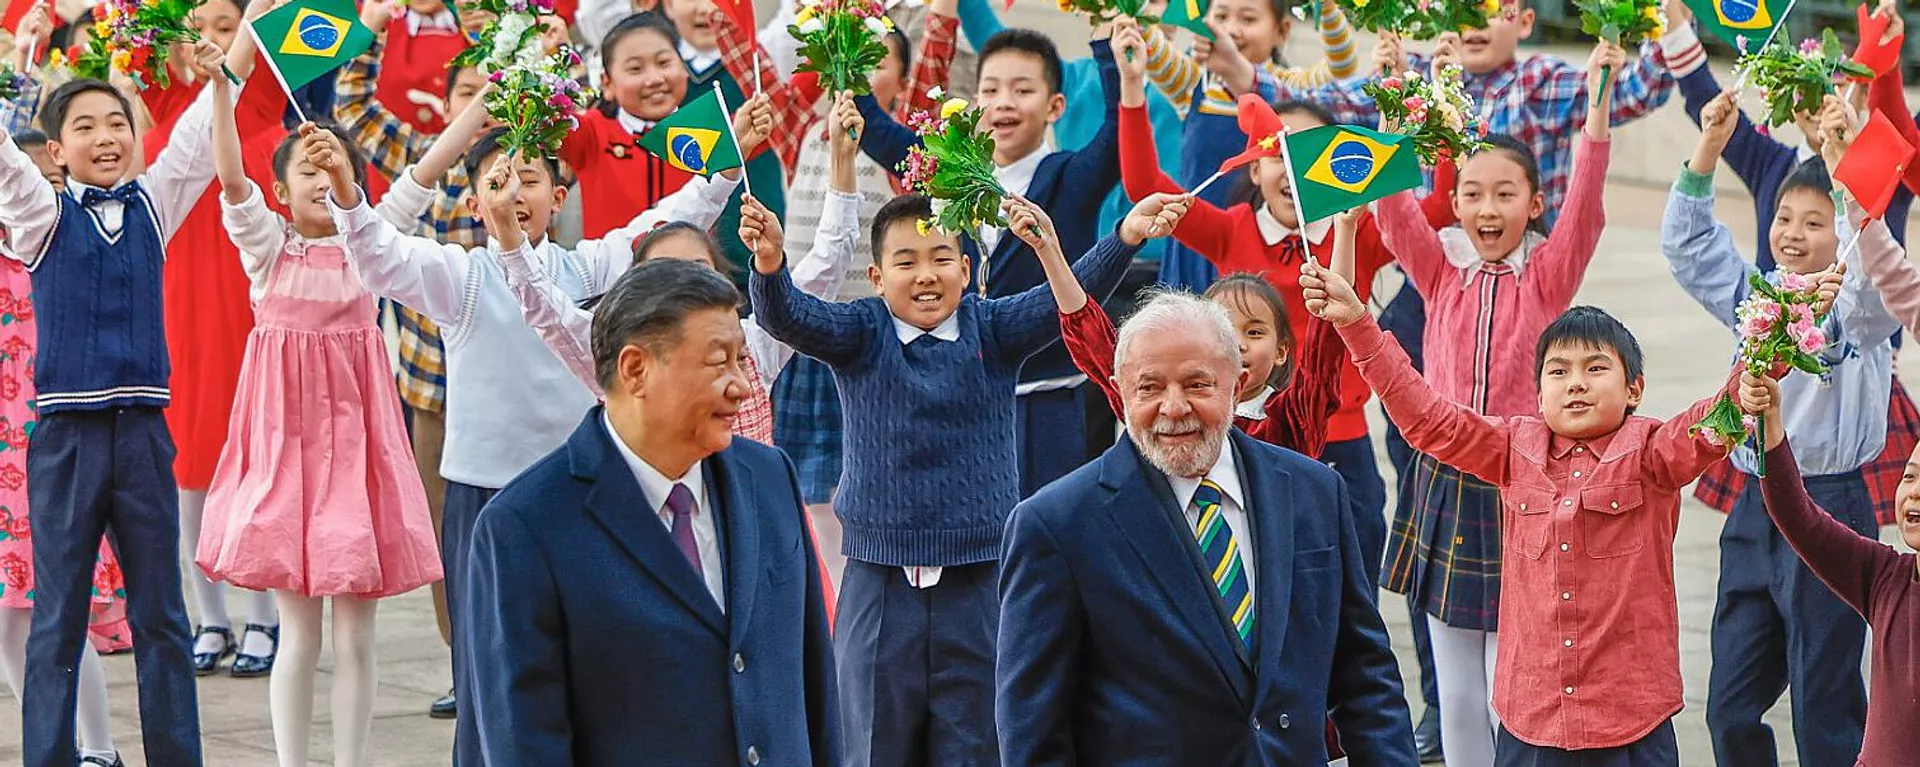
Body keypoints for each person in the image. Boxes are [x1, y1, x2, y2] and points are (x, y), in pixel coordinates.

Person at [328, 127, 752, 765]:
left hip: (583, 498)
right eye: (498, 180)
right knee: (488, 669)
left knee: (592, 662)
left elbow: (669, 225)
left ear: (559, 195)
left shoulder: (591, 267)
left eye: (531, 179)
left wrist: (724, 164)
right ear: (475, 204)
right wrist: (343, 193)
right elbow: (379, 257)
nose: (515, 192)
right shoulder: (460, 276)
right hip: (487, 500)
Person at [1303, 258, 1815, 763]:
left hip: (1630, 721)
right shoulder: (1510, 447)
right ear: (1538, 393)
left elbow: (1717, 418)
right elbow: (1427, 419)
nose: (1576, 383)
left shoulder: (1654, 452)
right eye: (1559, 371)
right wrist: (1357, 325)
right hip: (1532, 721)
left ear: (1634, 389)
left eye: (1596, 369)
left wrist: (1783, 332)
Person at [751, 191, 1182, 766]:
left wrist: (1125, 237)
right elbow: (790, 317)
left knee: (982, 747)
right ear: (877, 277)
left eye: (941, 257)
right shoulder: (860, 331)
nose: (926, 275)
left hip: (981, 585)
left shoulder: (995, 329)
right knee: (871, 746)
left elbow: (1066, 302)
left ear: (969, 269)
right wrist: (770, 266)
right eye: (906, 262)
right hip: (879, 585)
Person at [996, 288, 1413, 765]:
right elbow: (1033, 732)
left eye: (1197, 384)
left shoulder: (1314, 492)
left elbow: (1365, 673)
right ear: (1119, 389)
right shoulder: (1056, 525)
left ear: (1237, 384)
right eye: (1149, 388)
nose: (1174, 408)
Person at [459, 254, 838, 767]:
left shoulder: (770, 479)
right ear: (636, 369)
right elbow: (522, 741)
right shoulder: (524, 527)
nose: (741, 385)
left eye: (741, 360)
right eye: (716, 361)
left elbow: (815, 689)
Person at [1362, 40, 1619, 767]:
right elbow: (1390, 210)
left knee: (1515, 669)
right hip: (1443, 479)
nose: (1486, 207)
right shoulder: (1440, 272)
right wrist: (1394, 88)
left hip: (1523, 486)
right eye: (1471, 192)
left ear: (1534, 204)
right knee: (1456, 680)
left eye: (1506, 193)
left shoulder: (1547, 277)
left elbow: (1588, 210)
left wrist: (1597, 101)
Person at [199, 68, 462, 763]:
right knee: (299, 632)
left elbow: (427, 170)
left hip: (358, 455)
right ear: (280, 193)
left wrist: (484, 108)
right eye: (303, 170)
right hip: (285, 455)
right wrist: (223, 88)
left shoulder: (369, 246)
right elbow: (229, 177)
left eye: (332, 166)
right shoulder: (267, 248)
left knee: (354, 634)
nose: (319, 179)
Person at [0, 38, 228, 767]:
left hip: (143, 434)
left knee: (162, 613)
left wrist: (236, 45)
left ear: (135, 133)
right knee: (57, 618)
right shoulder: (40, 214)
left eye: (117, 122)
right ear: (57, 150)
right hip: (66, 437)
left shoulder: (154, 204)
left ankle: (176, 756)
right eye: (86, 126)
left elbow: (196, 134)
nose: (106, 137)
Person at [1666, 91, 1900, 767]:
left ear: (1845, 234)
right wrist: (1709, 145)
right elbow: (1690, 248)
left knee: (1826, 704)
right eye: (1786, 219)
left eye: (1816, 223)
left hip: (1831, 504)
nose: (1794, 233)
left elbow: (1875, 291)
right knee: (1728, 705)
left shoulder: (1856, 304)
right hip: (1755, 499)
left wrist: (1847, 174)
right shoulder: (1758, 294)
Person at [853, 25, 1124, 497]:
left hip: (1048, 397)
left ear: (1055, 106)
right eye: (991, 90)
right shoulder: (949, 171)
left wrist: (1108, 51)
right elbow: (876, 130)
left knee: (1048, 535)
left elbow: (1118, 136)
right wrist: (846, 48)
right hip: (963, 393)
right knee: (970, 532)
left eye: (1023, 90)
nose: (1004, 103)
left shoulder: (1069, 177)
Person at [333, 0, 500, 718]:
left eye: (493, 95)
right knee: (445, 533)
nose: (480, 109)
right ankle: (465, 664)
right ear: (448, 103)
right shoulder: (413, 157)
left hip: (513, 383)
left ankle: (516, 661)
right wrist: (370, 22)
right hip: (434, 386)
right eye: (469, 94)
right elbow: (352, 103)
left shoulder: (526, 163)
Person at [1737, 373, 1920, 764]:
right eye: (1910, 476)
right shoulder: (1885, 578)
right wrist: (1770, 421)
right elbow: (1798, 516)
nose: (1914, 491)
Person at [1137, 0, 1358, 290]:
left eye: (1248, 19)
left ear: (1282, 30)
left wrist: (1327, 6)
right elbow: (1143, 40)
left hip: (1260, 246)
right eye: (1221, 16)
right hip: (1196, 238)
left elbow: (1342, 63)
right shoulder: (1194, 82)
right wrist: (1155, 7)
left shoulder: (1289, 86)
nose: (1231, 30)